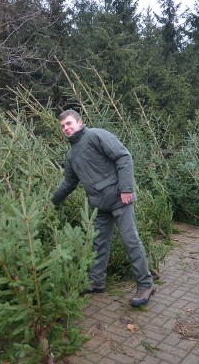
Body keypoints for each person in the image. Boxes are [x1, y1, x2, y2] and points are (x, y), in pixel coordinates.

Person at [51, 109, 155, 307]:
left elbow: (123, 157)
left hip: (120, 199)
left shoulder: (96, 135)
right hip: (99, 205)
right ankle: (96, 282)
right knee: (98, 244)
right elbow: (68, 184)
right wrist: (51, 202)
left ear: (80, 122)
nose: (66, 128)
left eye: (69, 124)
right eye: (63, 126)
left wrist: (126, 189)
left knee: (130, 241)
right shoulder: (72, 154)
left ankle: (146, 284)